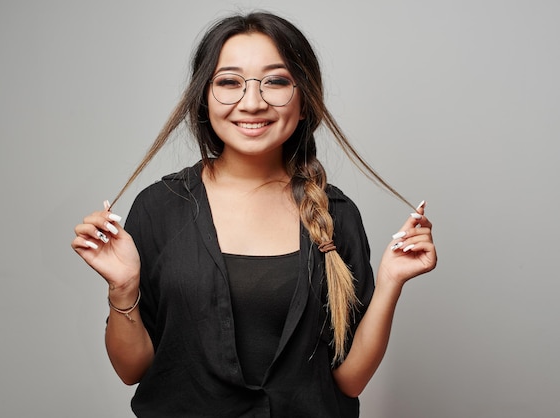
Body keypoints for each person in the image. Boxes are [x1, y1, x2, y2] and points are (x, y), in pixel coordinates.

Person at [72, 11, 436, 418]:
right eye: (229, 82)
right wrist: (122, 290)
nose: (252, 102)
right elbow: (131, 369)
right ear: (204, 99)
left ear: (304, 102)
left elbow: (349, 381)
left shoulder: (336, 215)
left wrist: (389, 282)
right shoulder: (159, 207)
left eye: (276, 81)